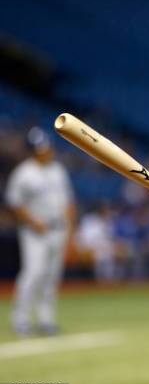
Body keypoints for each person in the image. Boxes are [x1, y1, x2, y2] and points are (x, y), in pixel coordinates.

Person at [5, 127, 76, 336]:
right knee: (33, 273)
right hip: (35, 232)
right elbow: (14, 203)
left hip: (58, 228)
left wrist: (70, 228)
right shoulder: (23, 173)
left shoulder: (58, 170)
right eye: (41, 148)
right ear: (32, 150)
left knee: (52, 276)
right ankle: (21, 319)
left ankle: (46, 319)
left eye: (46, 146)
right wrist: (33, 222)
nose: (46, 150)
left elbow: (68, 202)